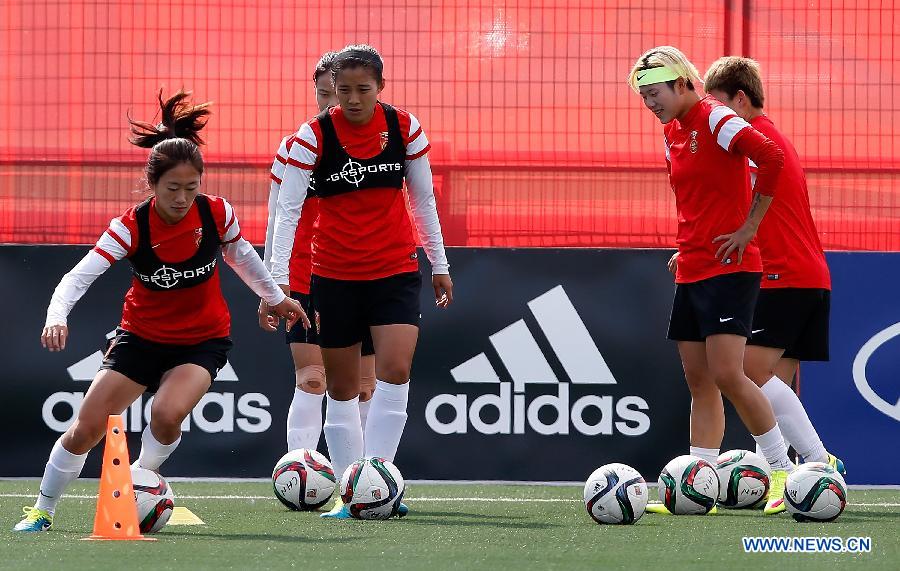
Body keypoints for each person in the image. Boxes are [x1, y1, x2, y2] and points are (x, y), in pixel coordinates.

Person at [14, 89, 306, 532]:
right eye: (173, 188)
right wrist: (57, 316)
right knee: (85, 429)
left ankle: (141, 481)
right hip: (140, 340)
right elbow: (77, 277)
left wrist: (274, 296)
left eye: (192, 187)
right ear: (152, 186)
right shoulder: (132, 226)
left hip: (202, 341)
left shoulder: (216, 214)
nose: (183, 197)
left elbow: (242, 257)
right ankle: (42, 510)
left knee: (166, 415)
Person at [271, 44, 452, 519]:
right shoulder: (311, 139)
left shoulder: (403, 128)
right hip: (332, 277)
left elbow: (424, 199)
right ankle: (353, 494)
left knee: (394, 372)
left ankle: (381, 486)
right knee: (341, 388)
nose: (351, 99)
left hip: (394, 269)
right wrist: (276, 284)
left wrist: (439, 263)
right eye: (343, 90)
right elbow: (285, 213)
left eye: (362, 89)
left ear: (380, 88)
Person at [626, 46, 794, 515]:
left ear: (682, 83)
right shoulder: (670, 132)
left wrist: (748, 229)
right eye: (643, 96)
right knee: (698, 379)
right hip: (694, 266)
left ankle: (782, 469)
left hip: (731, 267)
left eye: (655, 92)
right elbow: (695, 197)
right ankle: (699, 484)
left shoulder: (716, 117)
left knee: (728, 374)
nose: (650, 103)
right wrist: (687, 246)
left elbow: (772, 158)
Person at [702, 57, 845, 505]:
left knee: (746, 372)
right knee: (769, 386)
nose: (715, 119)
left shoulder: (756, 143)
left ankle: (817, 463)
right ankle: (793, 478)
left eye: (719, 107)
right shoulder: (773, 138)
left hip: (784, 275)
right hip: (807, 275)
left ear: (739, 100)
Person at [260, 51, 378, 453]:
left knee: (365, 386)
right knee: (313, 377)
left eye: (339, 93)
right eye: (324, 94)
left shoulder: (380, 143)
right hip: (304, 276)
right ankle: (299, 471)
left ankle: (364, 482)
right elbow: (277, 216)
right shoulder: (297, 145)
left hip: (363, 274)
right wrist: (269, 284)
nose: (333, 103)